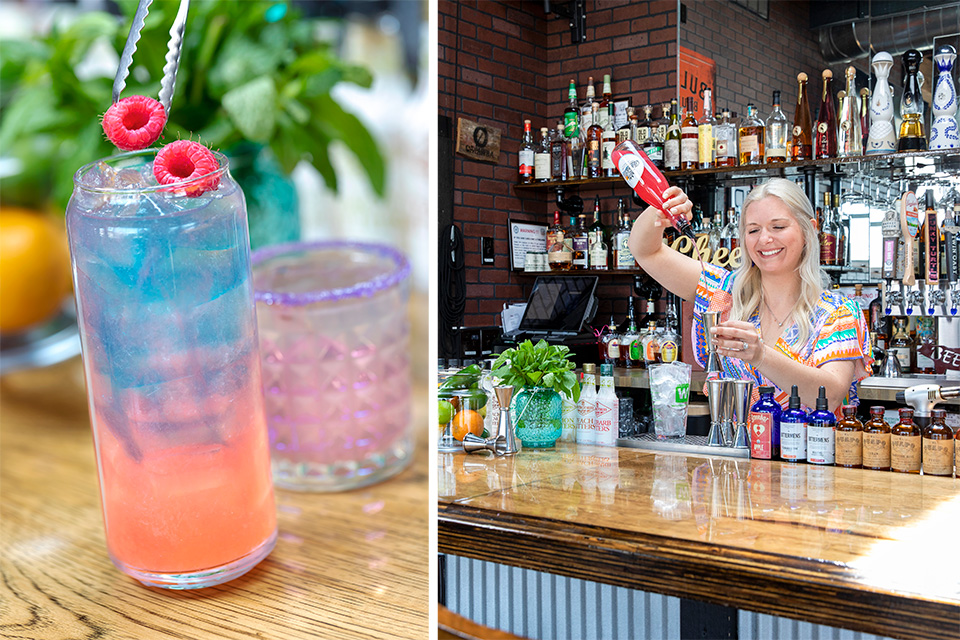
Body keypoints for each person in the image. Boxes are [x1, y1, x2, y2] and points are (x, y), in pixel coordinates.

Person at [628, 178, 872, 412]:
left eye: (778, 227)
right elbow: (645, 252)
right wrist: (660, 211)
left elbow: (829, 396)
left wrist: (760, 355)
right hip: (738, 453)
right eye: (753, 230)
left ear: (809, 230)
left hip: (811, 452)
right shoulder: (726, 293)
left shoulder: (837, 313)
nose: (765, 239)